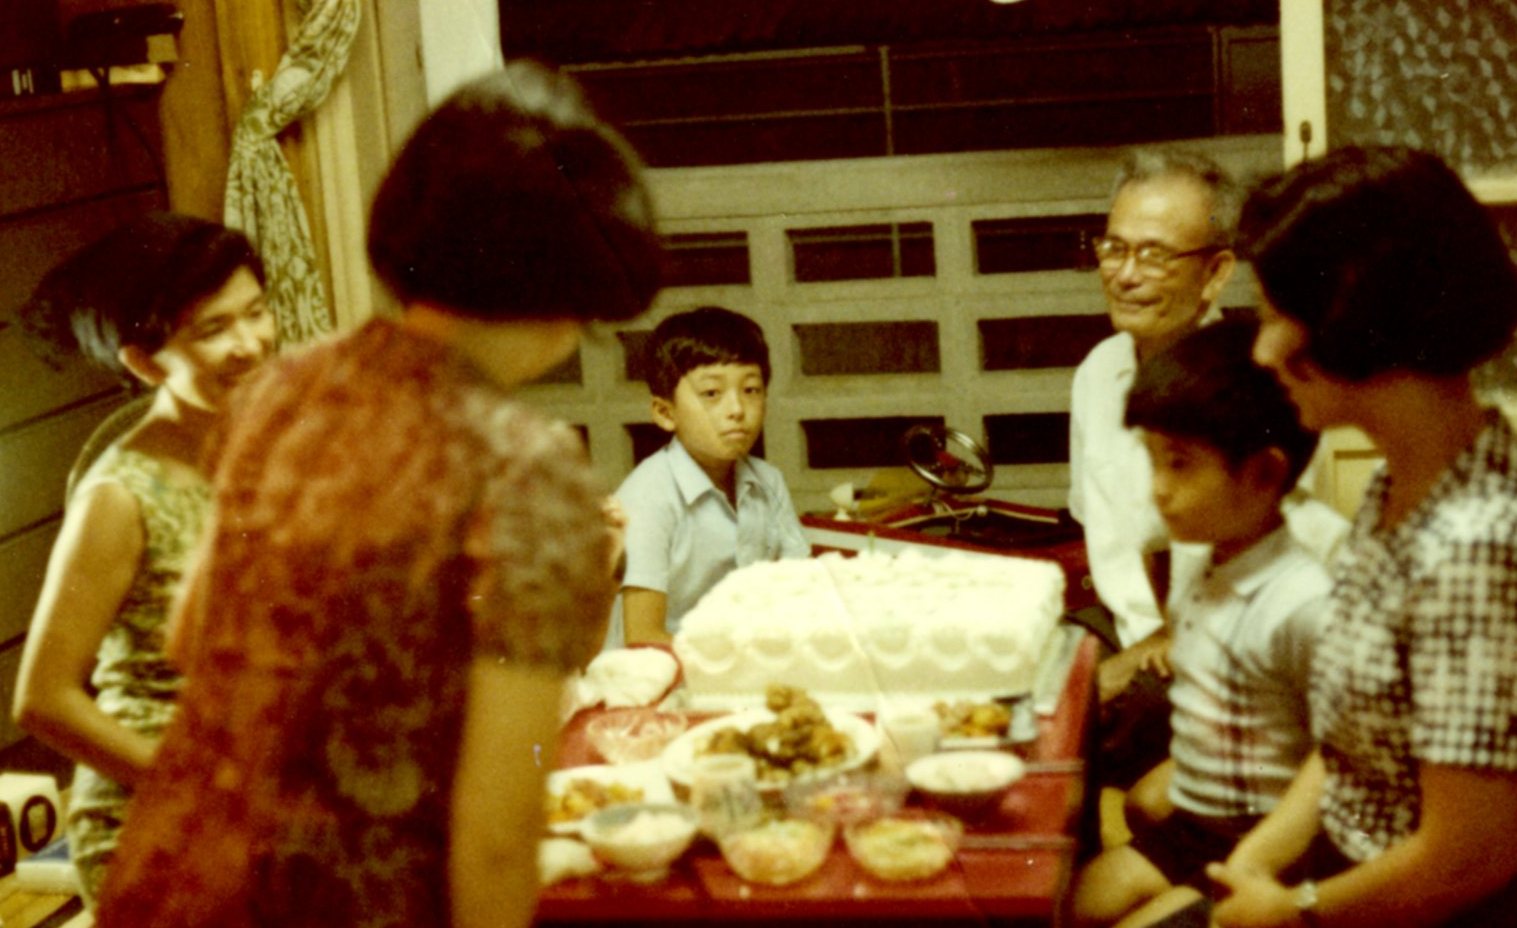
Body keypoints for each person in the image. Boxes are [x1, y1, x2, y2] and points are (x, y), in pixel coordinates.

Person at [93, 60, 662, 928]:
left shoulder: (284, 391)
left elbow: (192, 637)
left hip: (178, 876)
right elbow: (498, 829)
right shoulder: (525, 463)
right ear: (569, 296)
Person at [1204, 146, 1517, 926]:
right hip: (1343, 877)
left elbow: (1471, 853)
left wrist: (1294, 912)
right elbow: (1354, 741)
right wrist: (1262, 855)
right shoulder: (1397, 487)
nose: (1262, 349)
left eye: (1279, 314)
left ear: (1360, 306)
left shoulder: (1477, 547)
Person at [11, 212, 277, 906]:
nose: (251, 344)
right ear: (144, 360)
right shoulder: (119, 496)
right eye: (214, 329)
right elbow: (43, 701)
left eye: (256, 312)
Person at [1069, 317, 1330, 928]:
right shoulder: (1205, 571)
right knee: (1071, 902)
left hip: (1274, 851)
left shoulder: (1304, 602)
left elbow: (1341, 764)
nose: (1157, 490)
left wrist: (1265, 872)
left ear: (1264, 474)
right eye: (1153, 462)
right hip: (1198, 828)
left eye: (1179, 464)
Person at [614, 305, 809, 646]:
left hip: (744, 667)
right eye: (711, 394)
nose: (736, 410)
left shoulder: (768, 481)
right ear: (664, 412)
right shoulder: (648, 497)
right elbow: (642, 637)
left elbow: (803, 594)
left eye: (751, 389)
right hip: (661, 676)